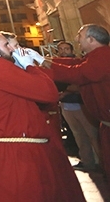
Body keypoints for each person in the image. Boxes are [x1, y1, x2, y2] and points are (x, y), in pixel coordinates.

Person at [0, 29, 84, 202]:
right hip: (21, 152)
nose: (11, 49)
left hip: (17, 145)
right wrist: (30, 66)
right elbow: (49, 93)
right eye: (6, 44)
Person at [45, 24, 110, 175]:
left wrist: (42, 64)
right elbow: (75, 64)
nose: (77, 40)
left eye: (80, 36)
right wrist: (44, 60)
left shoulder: (103, 57)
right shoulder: (96, 56)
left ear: (91, 39)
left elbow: (77, 73)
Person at [55, 41, 101, 171]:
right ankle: (87, 162)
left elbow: (81, 83)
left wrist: (65, 92)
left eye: (66, 49)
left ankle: (101, 162)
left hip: (81, 104)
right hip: (67, 106)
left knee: (93, 135)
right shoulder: (57, 66)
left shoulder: (79, 63)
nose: (64, 51)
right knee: (79, 136)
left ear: (72, 50)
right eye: (61, 49)